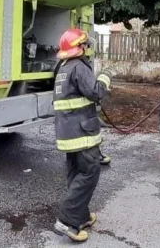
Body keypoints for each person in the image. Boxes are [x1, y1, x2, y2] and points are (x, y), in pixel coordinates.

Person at [52, 28, 111, 243]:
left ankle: (81, 216)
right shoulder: (79, 67)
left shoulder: (63, 68)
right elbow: (95, 92)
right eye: (85, 45)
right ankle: (67, 221)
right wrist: (105, 77)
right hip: (83, 133)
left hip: (68, 134)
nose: (87, 48)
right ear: (80, 47)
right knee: (89, 173)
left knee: (76, 174)